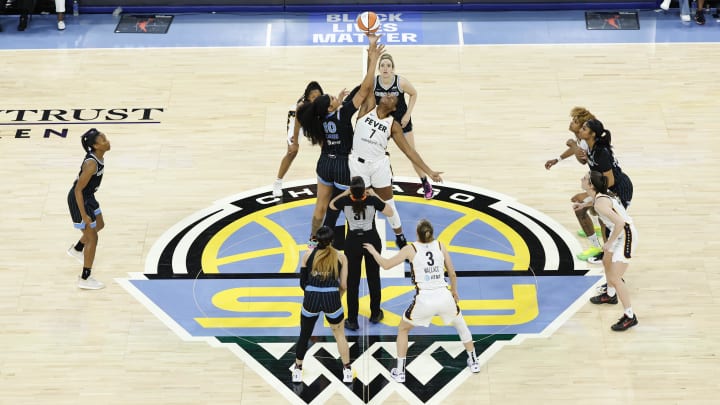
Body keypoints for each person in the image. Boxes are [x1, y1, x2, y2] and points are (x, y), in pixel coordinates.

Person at [363, 219, 481, 382]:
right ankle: (474, 361)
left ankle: (400, 371)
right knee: (461, 325)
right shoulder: (440, 245)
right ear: (432, 233)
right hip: (444, 296)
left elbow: (386, 265)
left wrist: (374, 252)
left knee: (403, 329)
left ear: (417, 234)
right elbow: (453, 274)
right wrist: (454, 291)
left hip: (424, 299)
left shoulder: (410, 249)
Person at [296, 33, 384, 243]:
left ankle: (314, 239)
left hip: (325, 163)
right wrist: (373, 58)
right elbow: (364, 90)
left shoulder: (318, 120)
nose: (336, 98)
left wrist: (338, 101)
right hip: (344, 164)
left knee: (321, 206)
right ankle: (356, 237)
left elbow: (327, 108)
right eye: (333, 98)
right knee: (344, 207)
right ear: (329, 106)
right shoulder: (343, 113)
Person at [351, 80, 443, 251]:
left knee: (389, 204)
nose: (388, 95)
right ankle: (360, 237)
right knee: (360, 204)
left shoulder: (393, 125)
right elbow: (368, 84)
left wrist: (429, 172)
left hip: (379, 165)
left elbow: (409, 151)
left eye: (392, 97)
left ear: (394, 108)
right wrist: (373, 58)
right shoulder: (368, 108)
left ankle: (400, 237)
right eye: (387, 94)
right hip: (358, 164)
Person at [574, 171, 638, 331]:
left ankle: (630, 316)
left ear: (591, 185)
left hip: (625, 236)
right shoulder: (600, 197)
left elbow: (620, 223)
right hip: (619, 234)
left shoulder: (600, 202)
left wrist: (609, 243)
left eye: (585, 178)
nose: (582, 178)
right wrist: (583, 205)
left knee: (616, 278)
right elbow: (595, 201)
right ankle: (610, 295)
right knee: (606, 261)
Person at [328, 176, 395, 331]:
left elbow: (331, 205)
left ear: (351, 190)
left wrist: (345, 193)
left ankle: (352, 320)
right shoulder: (372, 200)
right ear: (364, 189)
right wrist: (374, 194)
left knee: (352, 282)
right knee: (373, 278)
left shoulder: (345, 201)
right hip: (371, 240)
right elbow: (390, 212)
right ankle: (375, 313)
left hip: (352, 243)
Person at [291, 226, 353, 383]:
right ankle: (347, 371)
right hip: (332, 298)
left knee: (304, 335)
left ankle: (297, 370)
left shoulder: (307, 255)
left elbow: (302, 283)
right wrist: (336, 297)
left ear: (316, 240)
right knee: (339, 335)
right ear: (332, 240)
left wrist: (313, 293)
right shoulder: (341, 257)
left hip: (311, 297)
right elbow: (344, 285)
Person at [544, 107, 605, 261]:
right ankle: (596, 227)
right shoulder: (583, 140)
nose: (572, 123)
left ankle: (596, 247)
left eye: (576, 122)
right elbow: (576, 151)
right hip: (598, 179)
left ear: (584, 128)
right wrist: (557, 159)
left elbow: (581, 159)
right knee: (590, 206)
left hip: (605, 183)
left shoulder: (585, 141)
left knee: (579, 205)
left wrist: (573, 145)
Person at [373, 53, 434, 199]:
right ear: (379, 68)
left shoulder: (400, 82)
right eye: (382, 65)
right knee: (375, 154)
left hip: (401, 122)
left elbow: (414, 94)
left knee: (411, 153)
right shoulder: (374, 83)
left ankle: (425, 182)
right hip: (383, 124)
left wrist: (407, 114)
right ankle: (375, 184)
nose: (385, 68)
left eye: (388, 65)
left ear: (393, 68)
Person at [575, 119, 633, 263]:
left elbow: (610, 180)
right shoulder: (591, 147)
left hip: (618, 189)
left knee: (610, 223)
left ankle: (610, 256)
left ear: (592, 133)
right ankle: (597, 247)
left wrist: (587, 193)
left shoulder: (601, 152)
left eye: (584, 128)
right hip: (605, 188)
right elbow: (596, 169)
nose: (580, 130)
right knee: (581, 210)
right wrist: (586, 159)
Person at [66, 128, 111, 290]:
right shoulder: (92, 164)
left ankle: (77, 249)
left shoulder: (98, 157)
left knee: (99, 224)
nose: (107, 141)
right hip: (80, 199)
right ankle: (85, 278)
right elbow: (78, 190)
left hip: (88, 196)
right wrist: (84, 215)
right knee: (92, 238)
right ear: (95, 146)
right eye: (103, 140)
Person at [272, 81, 324, 197]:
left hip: (313, 121)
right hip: (297, 121)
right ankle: (278, 182)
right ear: (308, 98)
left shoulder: (324, 103)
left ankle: (326, 181)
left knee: (326, 148)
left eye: (318, 97)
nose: (316, 99)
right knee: (292, 151)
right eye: (313, 97)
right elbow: (297, 124)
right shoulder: (302, 106)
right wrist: (295, 142)